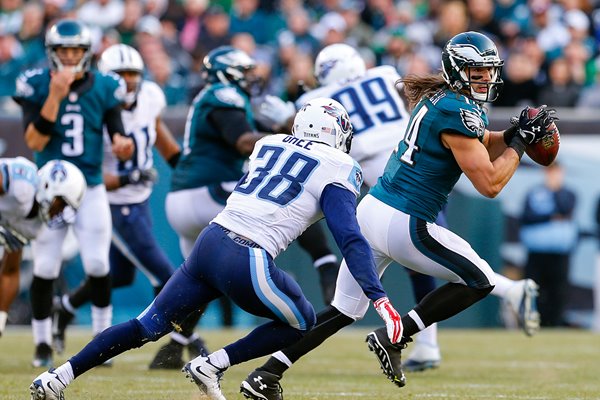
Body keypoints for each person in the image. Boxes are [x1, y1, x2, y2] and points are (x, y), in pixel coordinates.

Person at [240, 31, 557, 399]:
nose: (487, 78)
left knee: (342, 311)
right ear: (458, 71)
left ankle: (266, 374)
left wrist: (515, 131)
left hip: (373, 210)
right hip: (406, 220)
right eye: (478, 71)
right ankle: (398, 334)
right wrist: (519, 144)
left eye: (489, 71)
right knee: (478, 281)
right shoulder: (457, 109)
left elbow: (482, 141)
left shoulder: (443, 99)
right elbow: (490, 184)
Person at [30, 97, 404, 400]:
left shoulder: (267, 144)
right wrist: (377, 295)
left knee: (145, 326)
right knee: (303, 321)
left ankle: (56, 378)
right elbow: (350, 237)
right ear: (336, 133)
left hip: (211, 241)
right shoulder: (338, 165)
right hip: (247, 254)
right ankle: (213, 364)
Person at [153, 45, 342, 368]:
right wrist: (285, 134)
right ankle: (325, 263)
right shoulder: (223, 94)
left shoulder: (212, 97)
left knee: (201, 280)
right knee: (282, 191)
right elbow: (242, 140)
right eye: (245, 72)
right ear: (227, 73)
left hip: (184, 199)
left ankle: (171, 350)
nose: (252, 79)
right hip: (206, 192)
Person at [48, 43, 209, 366]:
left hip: (138, 202)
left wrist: (180, 163)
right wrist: (128, 177)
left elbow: (157, 131)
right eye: (119, 74)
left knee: (117, 275)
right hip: (109, 204)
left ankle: (63, 307)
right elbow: (87, 172)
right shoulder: (96, 106)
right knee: (167, 278)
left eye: (132, 74)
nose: (127, 81)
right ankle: (179, 343)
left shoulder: (151, 97)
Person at [13, 19, 134, 368]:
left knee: (97, 262)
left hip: (91, 187)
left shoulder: (106, 86)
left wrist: (122, 145)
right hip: (48, 189)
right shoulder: (36, 84)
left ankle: (103, 341)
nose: (69, 57)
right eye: (63, 51)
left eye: (75, 51)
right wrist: (56, 94)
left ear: (86, 53)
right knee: (46, 265)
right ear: (52, 53)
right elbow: (34, 141)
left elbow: (117, 132)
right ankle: (41, 343)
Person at [0, 158, 86, 337]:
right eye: (61, 204)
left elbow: (10, 270)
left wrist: (1, 318)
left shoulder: (34, 226)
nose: (60, 212)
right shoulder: (22, 184)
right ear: (48, 186)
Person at [520, 161, 577, 326]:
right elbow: (527, 217)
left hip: (560, 252)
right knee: (535, 288)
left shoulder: (568, 193)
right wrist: (550, 217)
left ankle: (555, 323)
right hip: (537, 251)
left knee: (558, 290)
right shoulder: (534, 193)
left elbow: (565, 209)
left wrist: (555, 191)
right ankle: (535, 320)